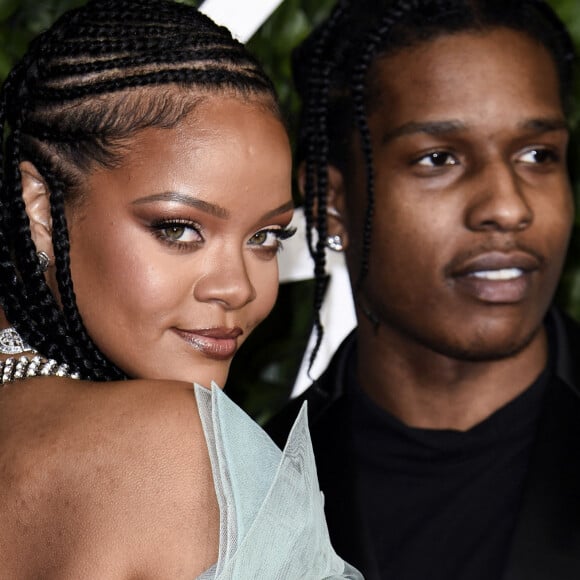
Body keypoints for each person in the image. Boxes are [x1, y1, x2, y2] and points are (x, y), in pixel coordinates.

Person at [0, 1, 363, 578]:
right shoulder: (182, 448)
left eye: (266, 237)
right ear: (40, 209)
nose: (238, 287)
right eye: (179, 229)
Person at [267, 0, 580, 578]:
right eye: (438, 158)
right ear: (329, 202)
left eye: (538, 155)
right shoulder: (253, 490)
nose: (508, 207)